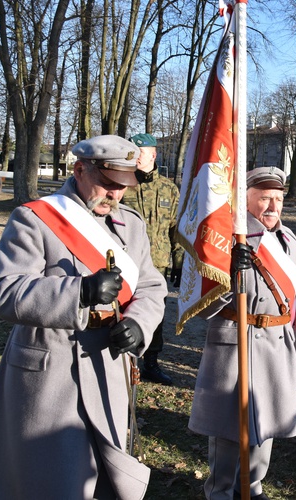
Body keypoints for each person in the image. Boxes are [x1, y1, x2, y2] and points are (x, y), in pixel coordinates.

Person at [0, 135, 168, 499]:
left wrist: (139, 324)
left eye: (123, 187)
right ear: (80, 170)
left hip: (108, 365)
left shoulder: (132, 224)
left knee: (102, 475)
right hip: (50, 369)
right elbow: (7, 292)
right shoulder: (35, 218)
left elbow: (152, 286)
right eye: (108, 184)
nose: (115, 195)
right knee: (48, 477)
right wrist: (80, 292)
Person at [188, 167, 296, 500]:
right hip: (236, 341)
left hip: (276, 342)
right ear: (246, 198)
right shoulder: (226, 237)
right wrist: (229, 273)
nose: (273, 206)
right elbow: (199, 303)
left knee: (266, 423)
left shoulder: (288, 240)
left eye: (278, 199)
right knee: (230, 430)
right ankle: (221, 491)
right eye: (264, 198)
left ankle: (253, 486)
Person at [122, 133, 183, 385]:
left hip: (157, 263)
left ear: (153, 155)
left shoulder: (168, 188)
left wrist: (179, 259)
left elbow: (176, 228)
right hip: (125, 261)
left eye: (141, 153)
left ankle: (151, 363)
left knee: (154, 313)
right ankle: (122, 361)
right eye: (133, 153)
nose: (136, 157)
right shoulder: (123, 184)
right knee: (122, 308)